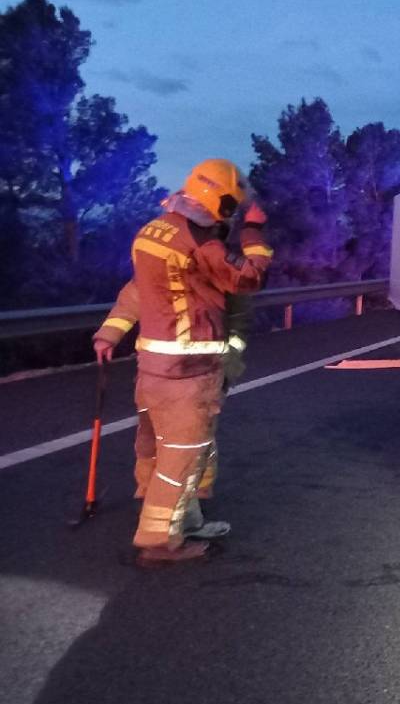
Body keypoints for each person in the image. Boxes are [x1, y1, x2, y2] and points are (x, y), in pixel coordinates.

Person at [92, 159, 271, 566]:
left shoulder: (154, 232)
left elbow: (139, 289)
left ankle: (185, 522)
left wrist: (110, 332)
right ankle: (159, 541)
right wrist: (255, 233)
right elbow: (247, 279)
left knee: (167, 450)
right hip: (187, 373)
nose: (232, 214)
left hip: (153, 369)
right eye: (232, 207)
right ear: (221, 202)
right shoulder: (199, 242)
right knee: (181, 458)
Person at [93, 285, 253, 540]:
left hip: (158, 375)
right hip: (186, 380)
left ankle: (157, 503)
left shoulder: (168, 258)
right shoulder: (212, 264)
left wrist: (108, 335)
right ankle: (170, 529)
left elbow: (134, 297)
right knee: (184, 454)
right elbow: (237, 321)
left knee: (161, 446)